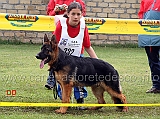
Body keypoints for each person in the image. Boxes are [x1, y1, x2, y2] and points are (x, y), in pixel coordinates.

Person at [138, 0, 160, 93]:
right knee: (153, 61)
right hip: (150, 36)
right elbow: (141, 17)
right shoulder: (145, 1)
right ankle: (157, 86)